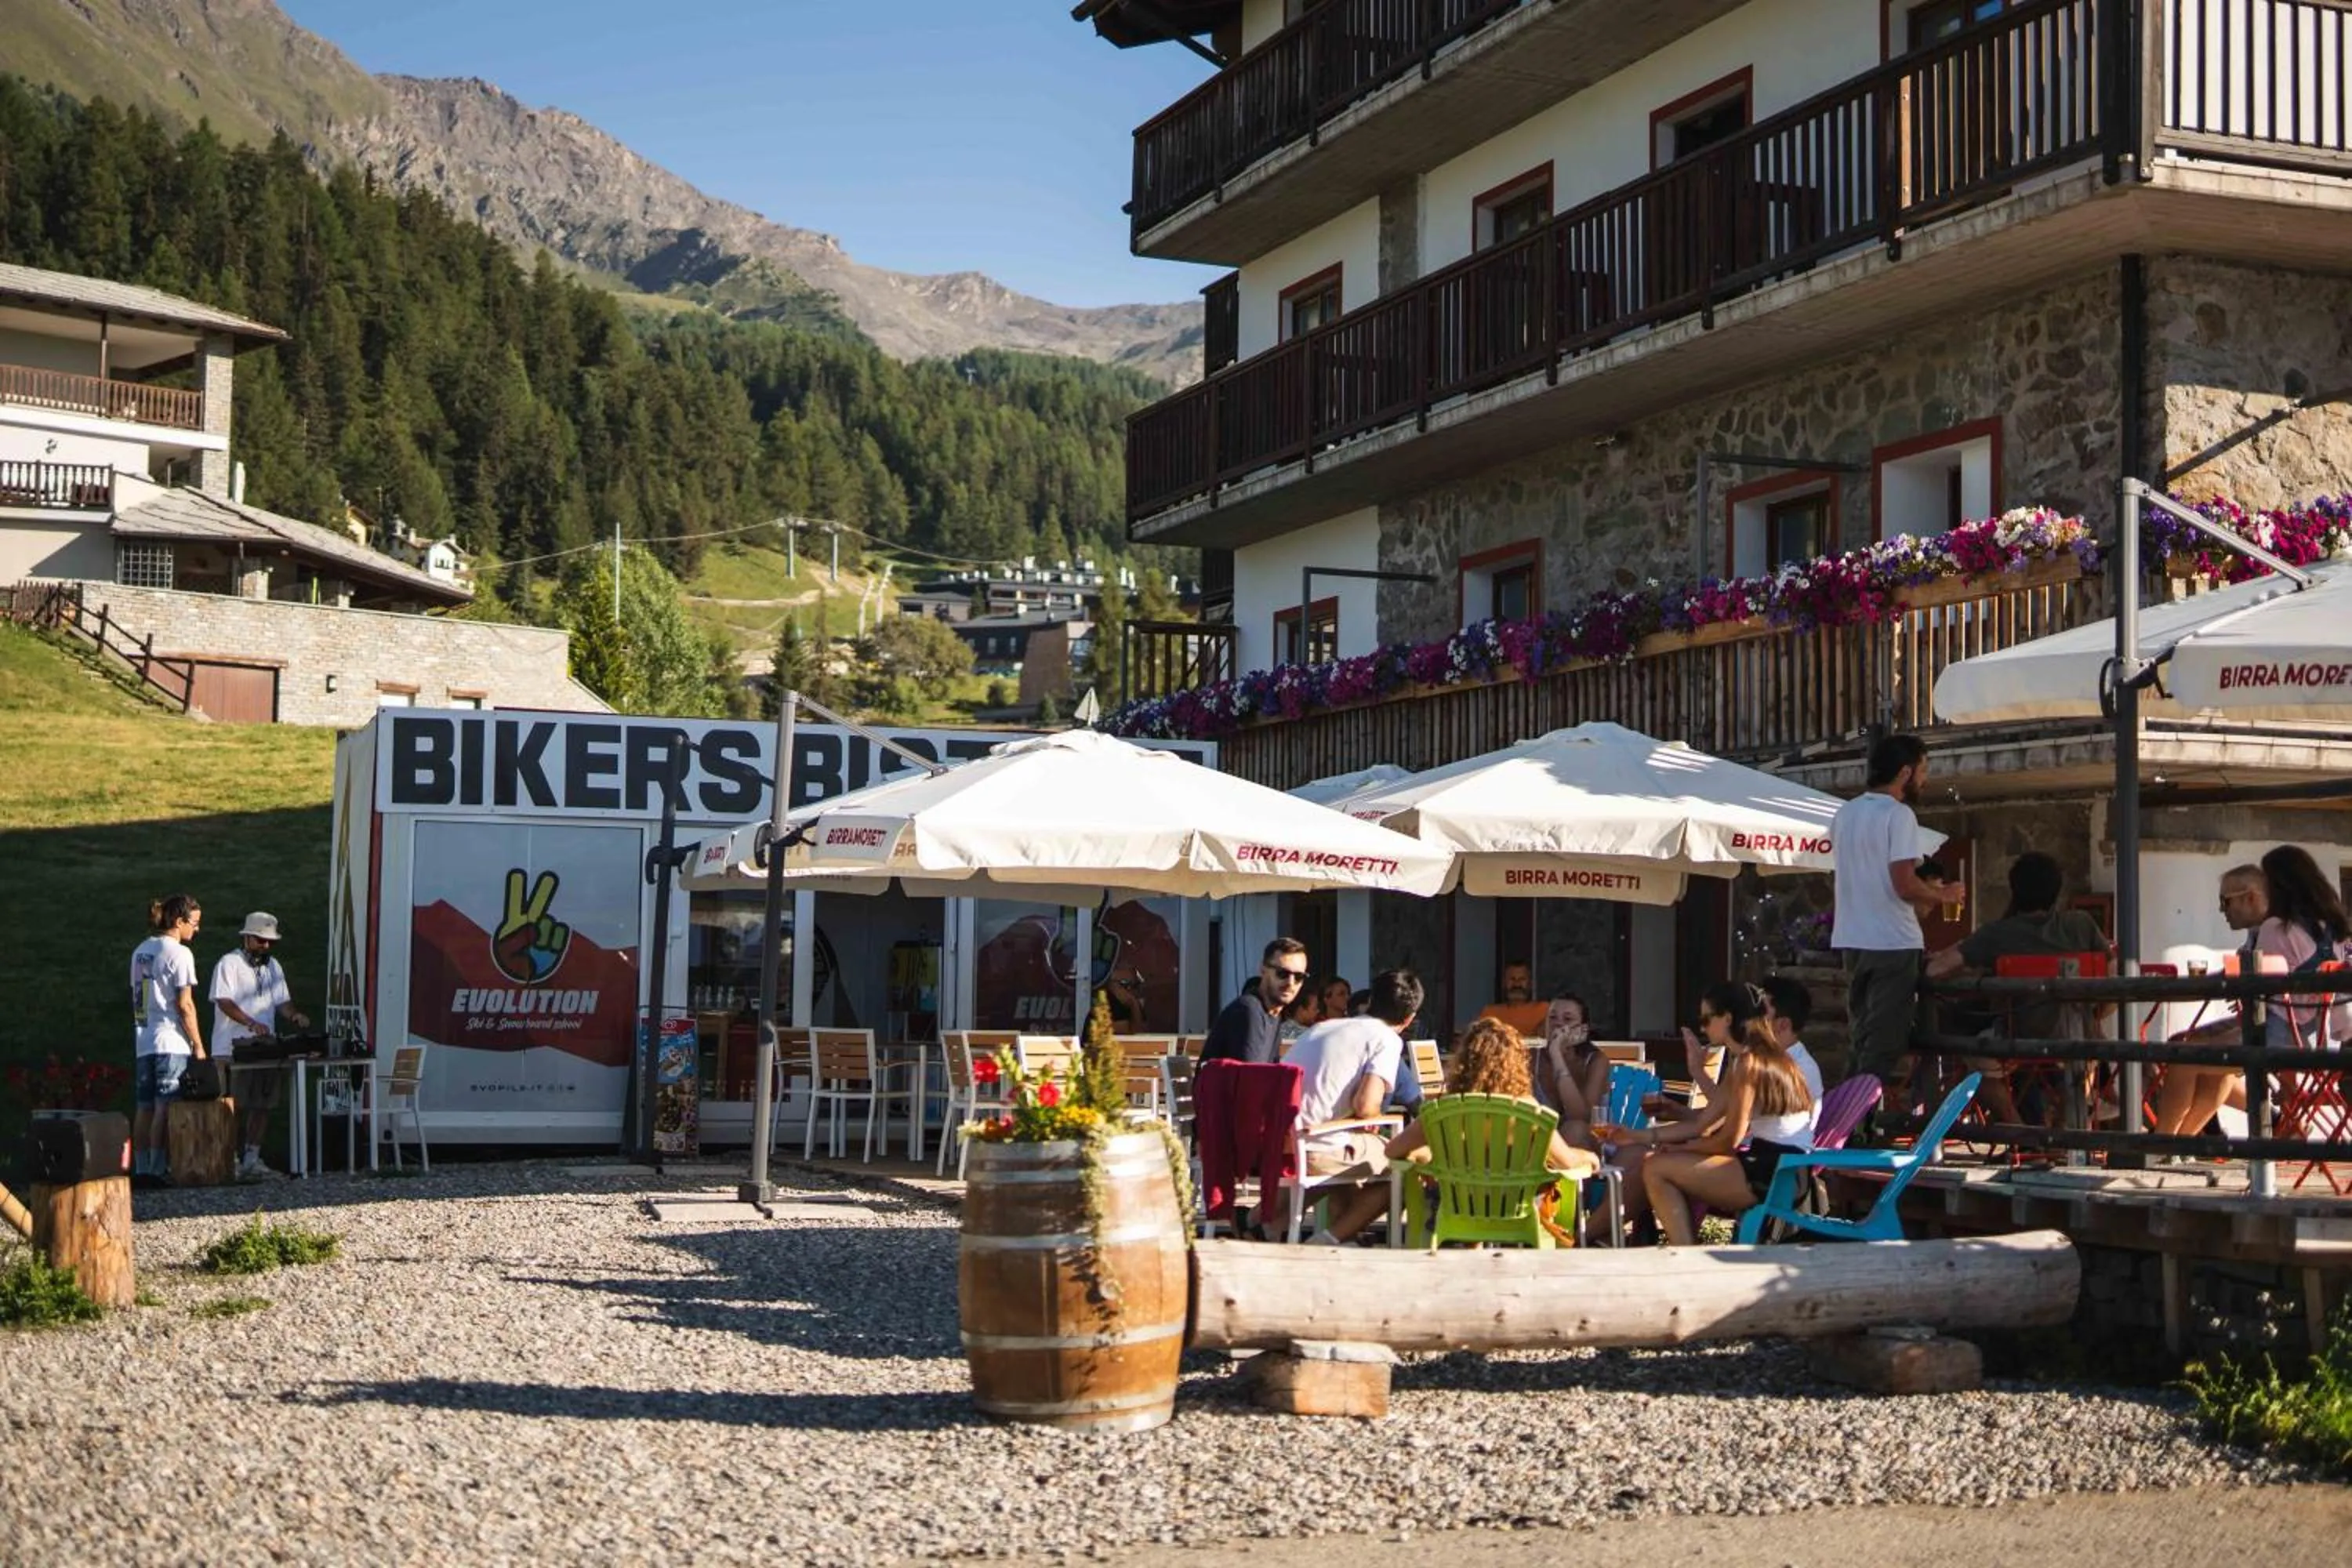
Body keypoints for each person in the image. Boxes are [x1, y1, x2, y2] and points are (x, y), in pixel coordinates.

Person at [1321, 1017, 1601, 1244]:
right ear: (1517, 1064)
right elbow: (1566, 1162)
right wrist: (1589, 1157)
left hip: (1455, 1208)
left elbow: (1394, 1151)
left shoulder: (1443, 1110)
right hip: (1519, 1211)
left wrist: (1429, 1153)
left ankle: (1336, 1235)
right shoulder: (1529, 1112)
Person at [1612, 982, 1815, 1247]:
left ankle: (1685, 1254)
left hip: (1776, 1173)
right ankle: (1682, 1249)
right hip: (1780, 1168)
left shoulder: (1750, 1063)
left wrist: (1676, 1149)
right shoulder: (1753, 1059)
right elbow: (1702, 1122)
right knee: (1658, 1163)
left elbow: (1728, 1140)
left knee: (1656, 1168)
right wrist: (1636, 1136)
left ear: (1728, 1018)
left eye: (1707, 1019)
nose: (1702, 1028)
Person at [1923, 851, 2110, 1124]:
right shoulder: (2081, 925)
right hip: (2077, 1035)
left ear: (2015, 890)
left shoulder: (1999, 933)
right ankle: (2061, 1139)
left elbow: (1935, 970)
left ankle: (2019, 1130)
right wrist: (2095, 1016)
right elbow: (2114, 970)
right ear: (2056, 891)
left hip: (2016, 1036)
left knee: (1973, 1061)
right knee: (2081, 1062)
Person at [1831, 733, 1942, 1092]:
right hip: (1892, 942)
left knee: (1861, 1039)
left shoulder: (1845, 814)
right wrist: (1943, 895)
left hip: (1852, 940)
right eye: (1923, 771)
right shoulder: (1899, 815)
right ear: (1905, 773)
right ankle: (1855, 1128)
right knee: (1883, 1046)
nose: (1924, 780)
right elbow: (1904, 884)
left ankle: (1841, 1124)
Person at [1276, 968, 1421, 1242]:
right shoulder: (1387, 1038)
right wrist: (1373, 1122)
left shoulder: (1323, 1027)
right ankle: (1328, 1240)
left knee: (1356, 1155)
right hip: (1315, 1145)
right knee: (1401, 1164)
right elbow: (1366, 1106)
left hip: (1281, 1140)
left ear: (1370, 1001)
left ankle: (1268, 1222)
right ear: (1409, 1018)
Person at [2152, 865, 2270, 1137]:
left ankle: (2164, 1141)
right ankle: (2182, 1141)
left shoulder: (2271, 933)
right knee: (2184, 1046)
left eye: (2225, 901)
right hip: (2257, 1022)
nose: (2221, 910)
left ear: (2250, 898)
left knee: (2183, 1056)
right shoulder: (2260, 933)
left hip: (2269, 1029)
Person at [210, 912, 306, 1181]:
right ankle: (229, 1160)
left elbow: (282, 1001)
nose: (266, 947)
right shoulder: (228, 963)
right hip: (231, 1047)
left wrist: (294, 1015)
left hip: (264, 1048)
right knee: (233, 1106)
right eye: (261, 941)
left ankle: (252, 1157)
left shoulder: (273, 966)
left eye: (270, 942)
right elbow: (224, 1001)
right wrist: (251, 1023)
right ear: (247, 938)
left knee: (262, 1105)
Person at [130, 895, 206, 1183]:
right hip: (171, 1040)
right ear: (179, 922)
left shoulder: (140, 951)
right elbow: (185, 1005)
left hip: (144, 1038)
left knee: (144, 1107)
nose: (196, 930)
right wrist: (198, 1045)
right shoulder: (180, 954)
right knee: (165, 1106)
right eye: (194, 923)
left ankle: (141, 1167)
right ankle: (158, 1168)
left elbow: (139, 1000)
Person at [1201, 938, 1306, 1065]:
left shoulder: (1273, 1014)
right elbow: (1251, 1078)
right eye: (1282, 973)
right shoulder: (1249, 1010)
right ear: (1263, 970)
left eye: (1299, 977)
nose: (1291, 983)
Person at [1534, 992, 1612, 1152]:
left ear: (1583, 1029)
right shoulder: (1530, 1058)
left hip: (1585, 1143)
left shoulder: (1596, 1061)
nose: (1557, 1024)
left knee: (1574, 1129)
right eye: (1552, 1017)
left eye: (1567, 1019)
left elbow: (1581, 1117)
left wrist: (1556, 1054)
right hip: (1539, 1144)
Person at [1759, 975, 1826, 1142]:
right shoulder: (1769, 1059)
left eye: (1760, 1014)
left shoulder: (1800, 1068)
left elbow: (1733, 1111)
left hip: (1779, 1160)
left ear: (1783, 1025)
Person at [1479, 960, 1550, 1040]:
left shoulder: (1546, 1010)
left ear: (1531, 983)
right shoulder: (1490, 1013)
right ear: (1504, 983)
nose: (1517, 984)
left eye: (1522, 979)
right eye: (1512, 979)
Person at [1276, 980, 1323, 1050]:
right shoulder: (1308, 1035)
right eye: (1314, 1008)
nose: (1318, 1011)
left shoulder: (1277, 1030)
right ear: (1301, 1010)